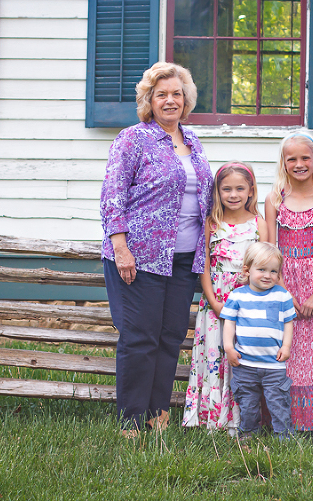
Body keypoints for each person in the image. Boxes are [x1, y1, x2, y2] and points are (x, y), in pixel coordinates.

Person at [100, 62, 213, 436]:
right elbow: (112, 195)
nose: (170, 100)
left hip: (183, 261)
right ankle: (131, 420)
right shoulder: (133, 139)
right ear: (149, 100)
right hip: (140, 256)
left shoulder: (193, 141)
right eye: (161, 94)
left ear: (186, 99)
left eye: (176, 93)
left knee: (169, 336)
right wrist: (120, 247)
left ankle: (157, 414)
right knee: (140, 337)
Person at [264, 132, 313, 433]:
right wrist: (283, 289)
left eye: (305, 158)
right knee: (286, 349)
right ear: (283, 163)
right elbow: (270, 249)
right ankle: (282, 420)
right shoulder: (275, 199)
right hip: (283, 285)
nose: (299, 164)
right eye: (292, 159)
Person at [183, 162, 268, 434]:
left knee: (241, 360)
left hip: (247, 304)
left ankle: (241, 421)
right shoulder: (211, 224)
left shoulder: (259, 224)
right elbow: (205, 266)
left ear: (251, 191)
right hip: (216, 303)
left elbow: (266, 263)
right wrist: (214, 301)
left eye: (240, 189)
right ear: (217, 192)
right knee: (214, 356)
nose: (233, 195)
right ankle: (210, 419)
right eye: (226, 189)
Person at [221, 242, 296, 438]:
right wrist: (229, 347)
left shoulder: (282, 296)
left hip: (274, 365)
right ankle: (248, 436)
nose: (267, 275)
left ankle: (284, 438)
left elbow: (288, 323)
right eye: (261, 269)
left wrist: (286, 346)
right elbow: (229, 323)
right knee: (248, 404)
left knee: (278, 403)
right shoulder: (238, 296)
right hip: (245, 363)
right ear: (247, 270)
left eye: (273, 271)